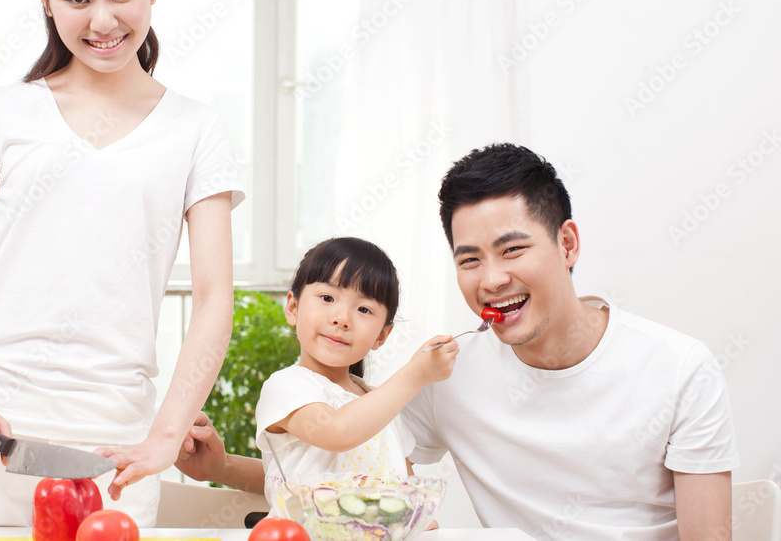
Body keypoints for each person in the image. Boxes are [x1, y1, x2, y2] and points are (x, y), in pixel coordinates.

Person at [176, 144, 738, 540]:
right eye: (470, 259)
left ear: (567, 244)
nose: (491, 278)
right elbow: (332, 465)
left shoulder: (679, 369)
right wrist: (222, 467)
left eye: (512, 250)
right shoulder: (449, 373)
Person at [0, 0, 243, 527]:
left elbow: (213, 298)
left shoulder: (197, 129)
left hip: (114, 447)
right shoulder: (3, 113)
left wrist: (164, 436)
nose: (103, 20)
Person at [256, 237, 457, 510]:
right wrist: (416, 374)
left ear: (382, 335)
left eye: (364, 309)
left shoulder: (381, 406)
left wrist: (418, 515)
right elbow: (336, 432)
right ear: (293, 307)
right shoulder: (286, 386)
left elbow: (409, 489)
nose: (342, 318)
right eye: (327, 298)